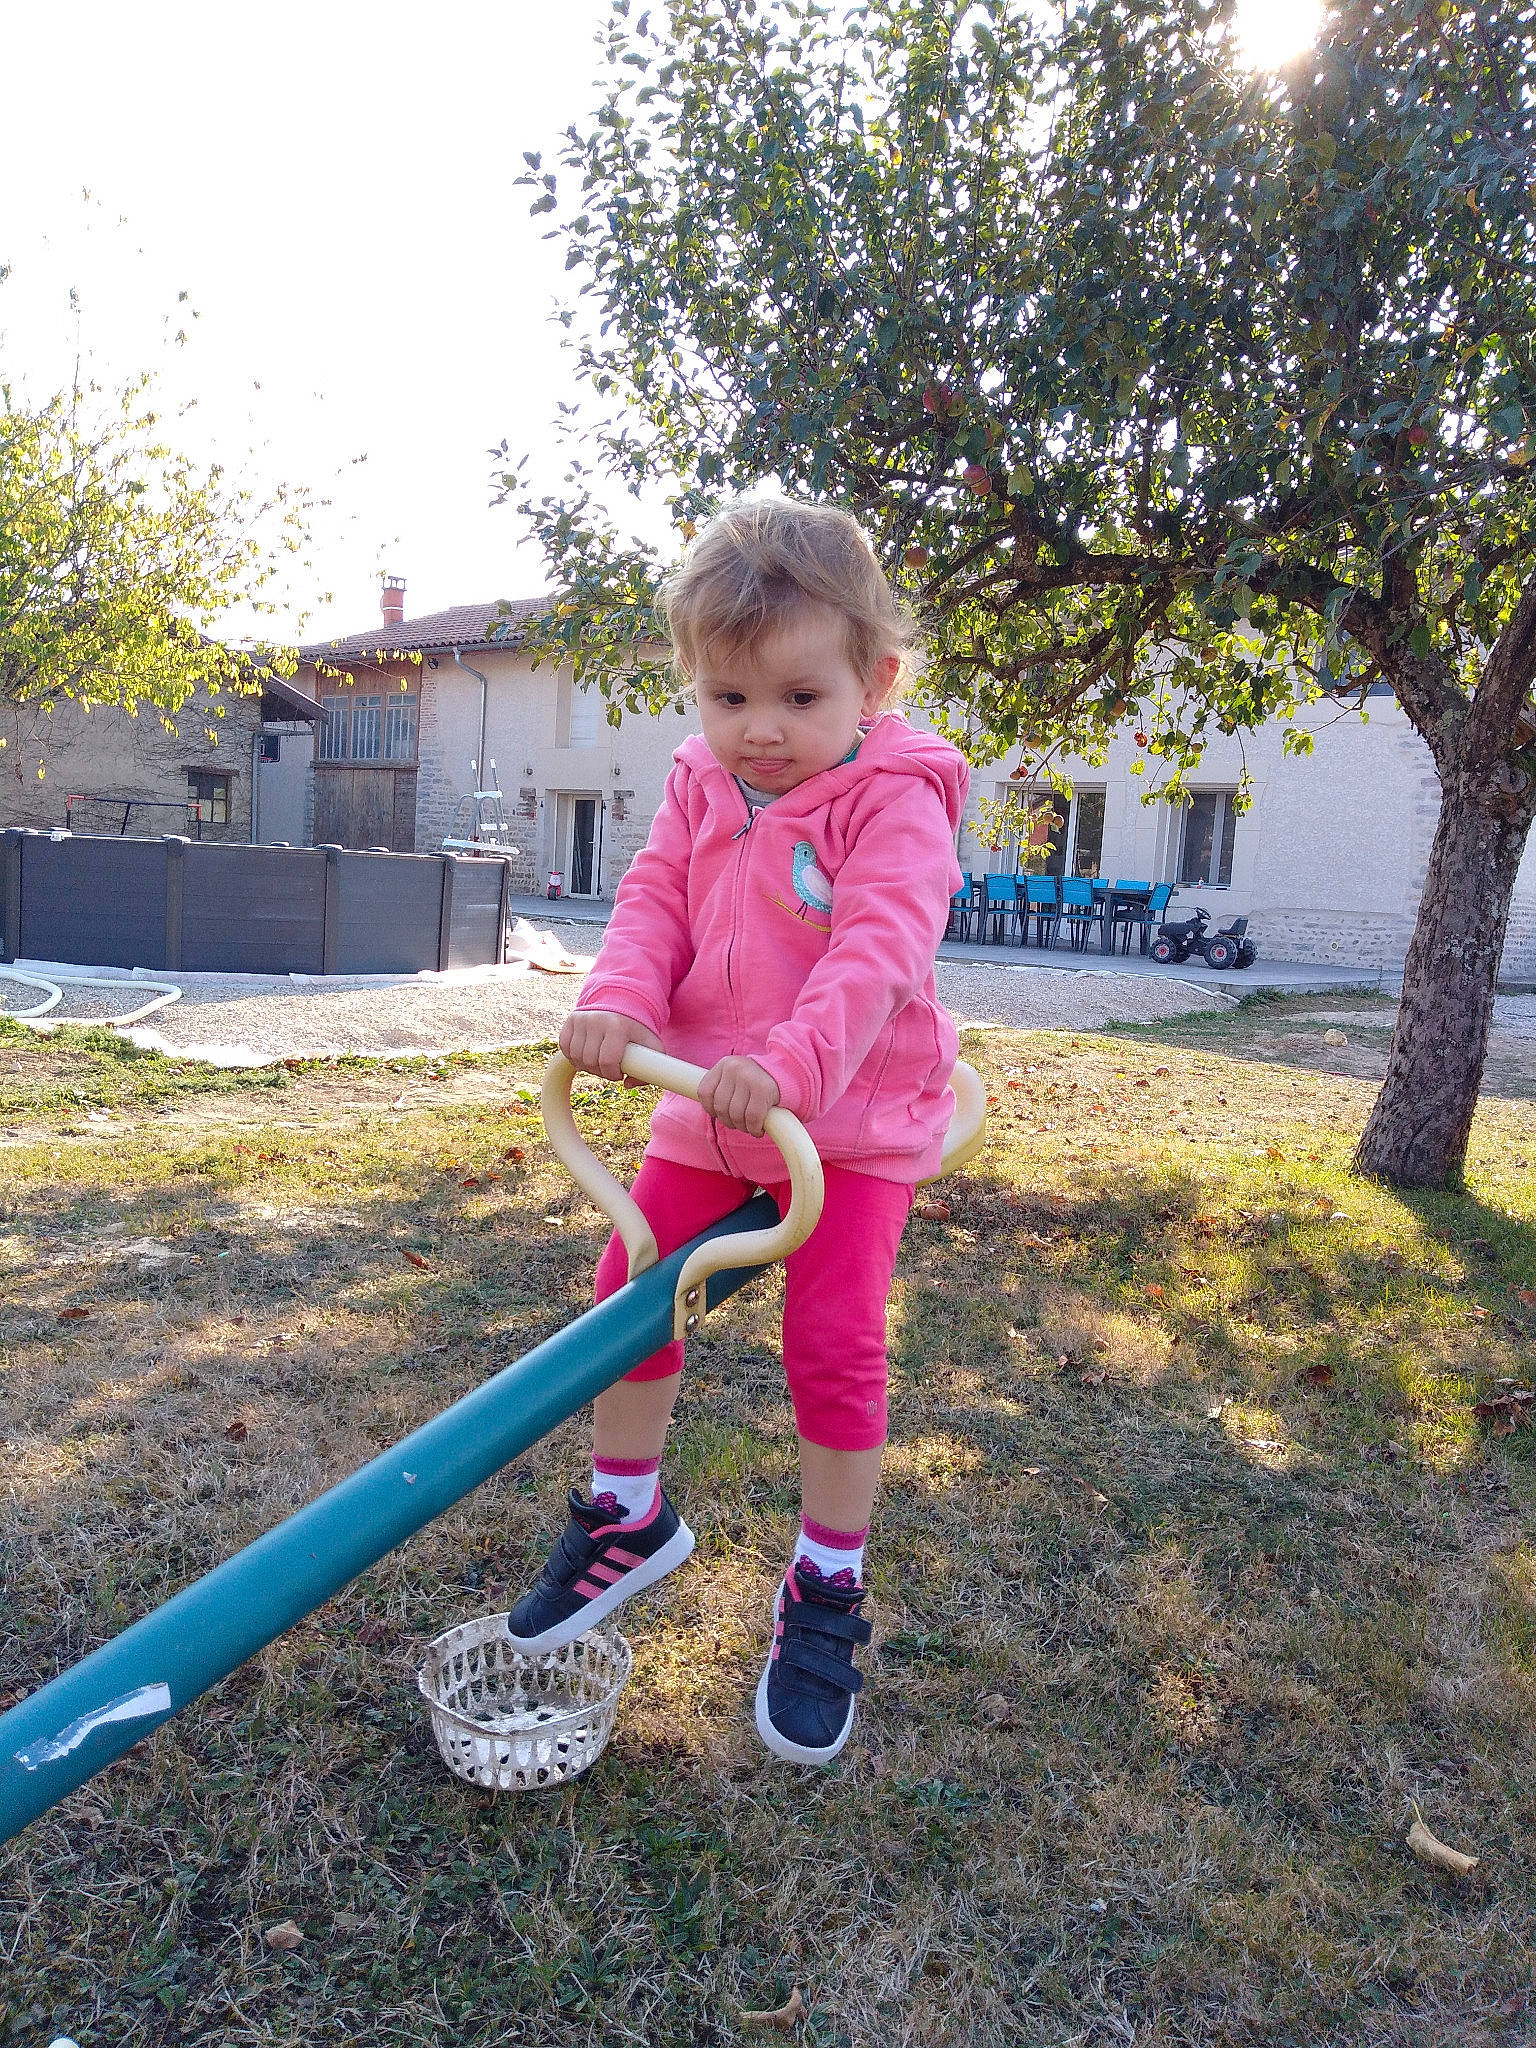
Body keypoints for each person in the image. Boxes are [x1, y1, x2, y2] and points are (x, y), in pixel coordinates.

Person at [506, 497, 968, 1764]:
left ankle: (825, 1580)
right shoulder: (702, 778)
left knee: (832, 1337)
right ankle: (628, 1513)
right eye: (726, 697)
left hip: (849, 1120)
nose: (759, 731)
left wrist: (793, 1063)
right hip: (715, 1102)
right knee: (626, 1297)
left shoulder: (899, 801)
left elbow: (878, 950)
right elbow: (655, 896)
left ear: (875, 680)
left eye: (800, 698)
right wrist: (614, 1002)